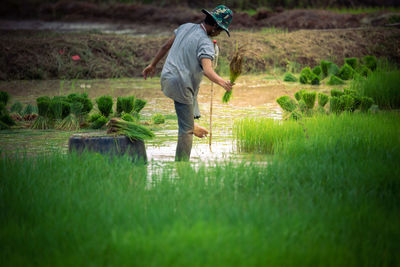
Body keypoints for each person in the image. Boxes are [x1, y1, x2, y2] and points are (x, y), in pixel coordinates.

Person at [142, 5, 234, 161]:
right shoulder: (206, 43)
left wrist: (153, 64)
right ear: (215, 26)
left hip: (167, 76)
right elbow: (207, 70)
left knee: (189, 101)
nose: (219, 33)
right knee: (186, 131)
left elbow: (166, 46)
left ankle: (191, 123)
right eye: (220, 30)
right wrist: (223, 83)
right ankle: (182, 165)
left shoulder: (186, 27)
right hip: (180, 82)